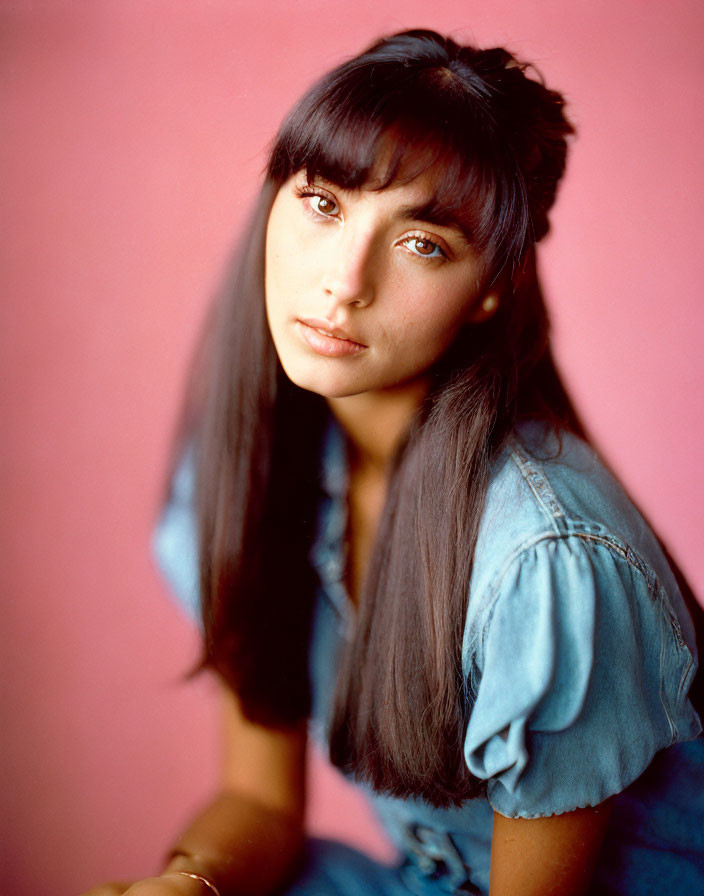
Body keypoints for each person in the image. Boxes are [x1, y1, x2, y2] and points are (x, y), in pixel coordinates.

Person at [84, 28, 704, 896]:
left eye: (424, 245)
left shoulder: (546, 559)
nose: (344, 280)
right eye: (325, 204)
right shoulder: (261, 472)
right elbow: (259, 804)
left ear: (491, 288)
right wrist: (190, 888)